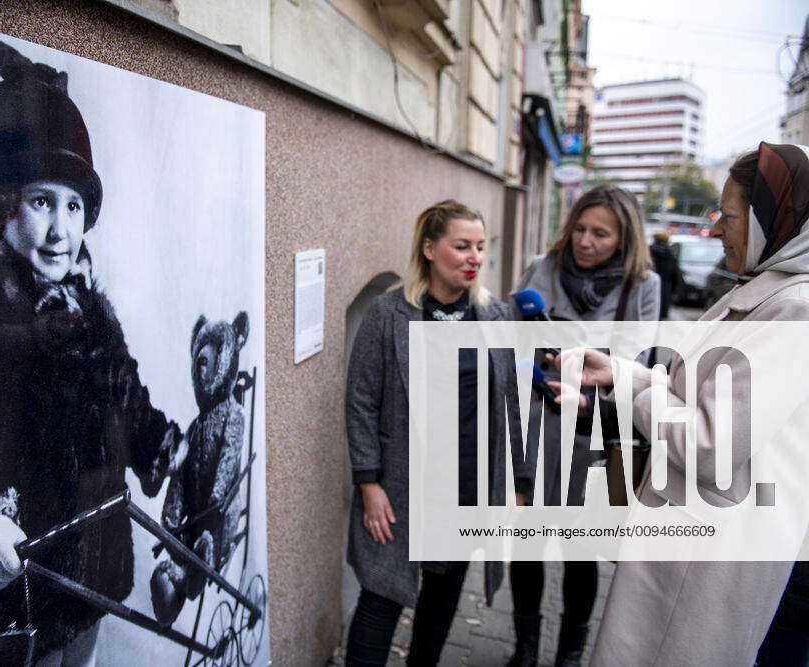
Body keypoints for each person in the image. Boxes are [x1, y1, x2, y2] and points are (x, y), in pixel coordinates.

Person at [0, 38, 185, 665]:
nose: (60, 230)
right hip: (8, 605)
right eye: (42, 201)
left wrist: (155, 440)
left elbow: (125, 398)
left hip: (89, 584)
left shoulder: (90, 316)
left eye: (74, 206)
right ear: (4, 209)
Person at [561, 143, 809, 666]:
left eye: (731, 216)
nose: (717, 229)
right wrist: (621, 375)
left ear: (777, 221)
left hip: (713, 553)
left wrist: (638, 391)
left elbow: (710, 442)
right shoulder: (762, 291)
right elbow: (694, 392)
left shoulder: (795, 308)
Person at [343, 200, 527, 666]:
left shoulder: (496, 317)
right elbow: (361, 401)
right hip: (401, 488)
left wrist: (516, 486)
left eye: (481, 247)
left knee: (443, 597)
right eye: (462, 245)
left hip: (466, 486)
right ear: (429, 248)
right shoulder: (389, 314)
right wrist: (369, 484)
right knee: (380, 597)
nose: (474, 258)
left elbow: (511, 402)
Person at [508, 184, 660, 667]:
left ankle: (570, 653)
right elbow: (511, 339)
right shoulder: (543, 269)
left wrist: (587, 371)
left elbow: (639, 363)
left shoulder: (642, 286)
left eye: (600, 233)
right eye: (580, 228)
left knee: (580, 548)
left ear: (623, 239)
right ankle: (525, 649)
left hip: (592, 433)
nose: (585, 241)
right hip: (536, 423)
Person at [649, 230, 681, 319]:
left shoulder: (648, 252)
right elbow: (675, 275)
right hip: (665, 288)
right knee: (660, 316)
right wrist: (674, 291)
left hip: (649, 285)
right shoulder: (670, 254)